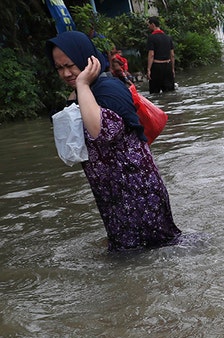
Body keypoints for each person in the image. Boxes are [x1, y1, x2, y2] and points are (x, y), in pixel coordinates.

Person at [47, 31, 182, 251]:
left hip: (137, 193)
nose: (66, 73)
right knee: (133, 255)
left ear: (87, 59)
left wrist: (81, 86)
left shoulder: (108, 90)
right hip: (114, 195)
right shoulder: (85, 93)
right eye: (59, 68)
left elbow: (100, 132)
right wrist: (79, 90)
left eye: (70, 65)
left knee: (152, 254)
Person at [146, 17, 175, 94]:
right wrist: (172, 69)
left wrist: (148, 69)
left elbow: (151, 54)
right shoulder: (168, 37)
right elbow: (172, 55)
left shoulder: (151, 38)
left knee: (155, 92)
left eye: (148, 25)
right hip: (168, 66)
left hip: (157, 67)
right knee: (170, 92)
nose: (148, 27)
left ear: (153, 25)